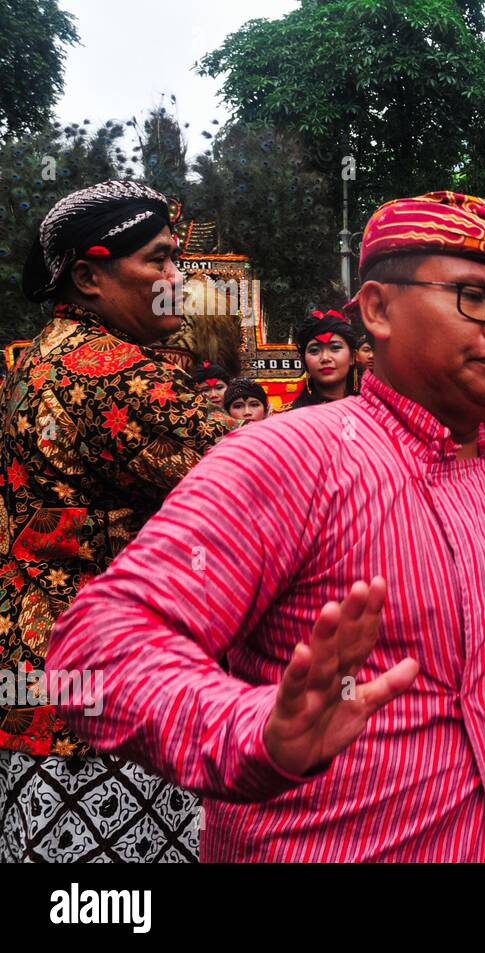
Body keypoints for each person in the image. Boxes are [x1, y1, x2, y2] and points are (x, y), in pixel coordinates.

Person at [46, 187, 485, 862]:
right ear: (377, 308)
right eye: (473, 296)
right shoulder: (292, 457)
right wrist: (253, 730)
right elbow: (97, 647)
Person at [0, 180, 234, 862]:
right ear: (88, 276)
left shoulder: (33, 361)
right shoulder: (116, 374)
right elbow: (264, 479)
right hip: (112, 710)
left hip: (38, 689)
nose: (176, 278)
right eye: (159, 260)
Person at [287, 308, 359, 410]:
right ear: (304, 361)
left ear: (352, 356)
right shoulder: (292, 417)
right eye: (314, 350)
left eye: (335, 348)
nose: (325, 358)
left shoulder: (372, 407)